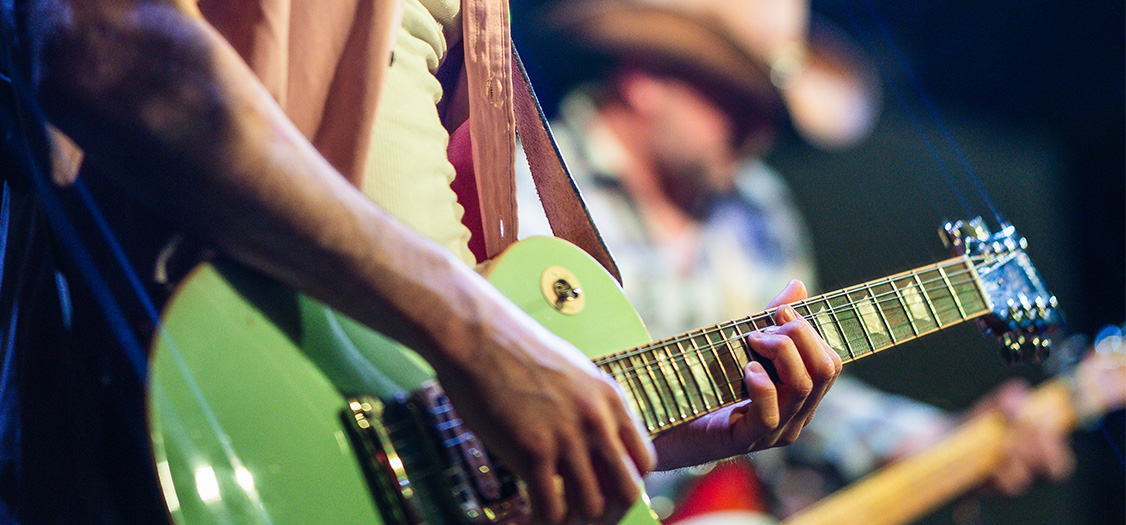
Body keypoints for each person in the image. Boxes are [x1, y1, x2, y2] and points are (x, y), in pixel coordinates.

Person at [0, 0, 841, 523]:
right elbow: (101, 50)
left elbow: (421, 347)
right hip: (160, 412)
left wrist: (635, 429)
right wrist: (477, 338)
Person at [512, 0, 1076, 518]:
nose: (760, 131)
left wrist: (935, 440)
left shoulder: (758, 207)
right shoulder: (522, 181)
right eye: (735, 100)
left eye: (769, 112)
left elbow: (796, 381)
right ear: (645, 77)